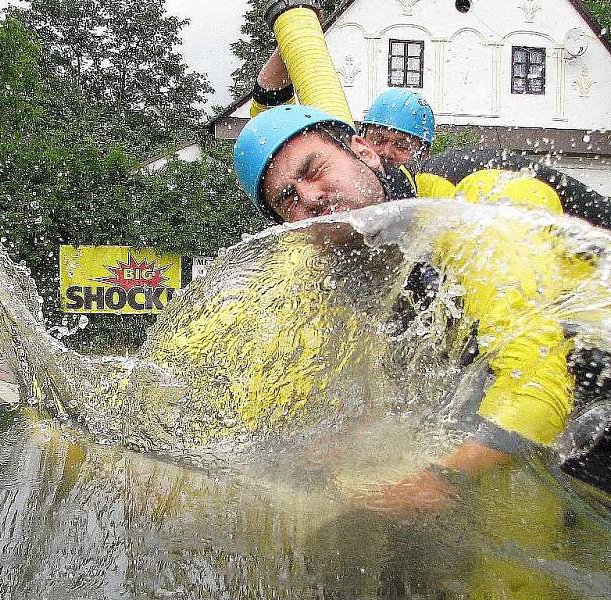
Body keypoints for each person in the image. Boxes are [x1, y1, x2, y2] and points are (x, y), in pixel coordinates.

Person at [232, 103, 611, 507]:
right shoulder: (344, 266)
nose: (308, 197)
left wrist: (433, 478)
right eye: (288, 198)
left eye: (314, 170)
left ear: (364, 151)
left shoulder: (479, 208)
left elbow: (539, 388)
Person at [250, 48, 435, 169]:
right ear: (361, 139)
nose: (386, 153)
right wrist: (294, 31)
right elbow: (270, 104)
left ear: (424, 154)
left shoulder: (431, 195)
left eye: (402, 146)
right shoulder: (335, 171)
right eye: (378, 139)